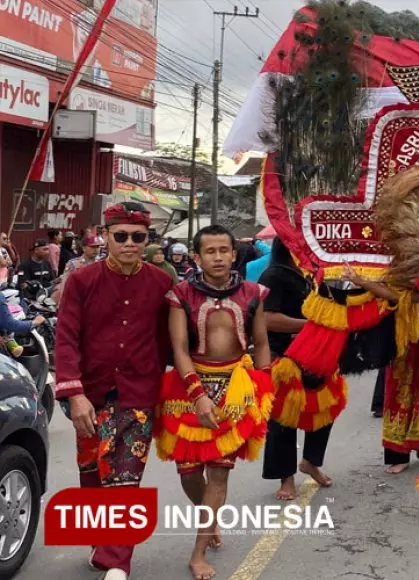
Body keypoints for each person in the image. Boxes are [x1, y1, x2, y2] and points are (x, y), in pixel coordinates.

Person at [54, 202, 173, 580]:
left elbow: (171, 338)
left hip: (138, 392)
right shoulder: (82, 281)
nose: (129, 244)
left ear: (147, 239)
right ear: (105, 236)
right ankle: (100, 542)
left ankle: (118, 561)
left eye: (138, 237)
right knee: (92, 472)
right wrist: (74, 394)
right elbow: (67, 338)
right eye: (120, 236)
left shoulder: (160, 282)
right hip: (89, 392)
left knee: (126, 476)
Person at [154, 225, 273, 580]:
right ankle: (211, 517)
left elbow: (261, 342)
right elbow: (178, 348)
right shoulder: (181, 294)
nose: (218, 257)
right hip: (189, 388)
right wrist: (198, 394)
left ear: (234, 254)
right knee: (189, 474)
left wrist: (264, 386)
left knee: (219, 473)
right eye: (210, 251)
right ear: (197, 257)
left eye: (224, 250)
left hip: (234, 388)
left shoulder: (253, 293)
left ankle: (198, 551)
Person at [258, 237, 336, 500]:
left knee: (323, 409)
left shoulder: (312, 275)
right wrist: (311, 324)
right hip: (283, 356)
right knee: (283, 418)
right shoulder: (273, 275)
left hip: (315, 354)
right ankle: (286, 478)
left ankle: (311, 462)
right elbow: (266, 318)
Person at [53, 236, 103, 303]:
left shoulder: (102, 263)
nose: (96, 250)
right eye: (92, 247)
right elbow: (65, 285)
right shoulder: (73, 264)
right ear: (83, 248)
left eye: (98, 247)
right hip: (78, 300)